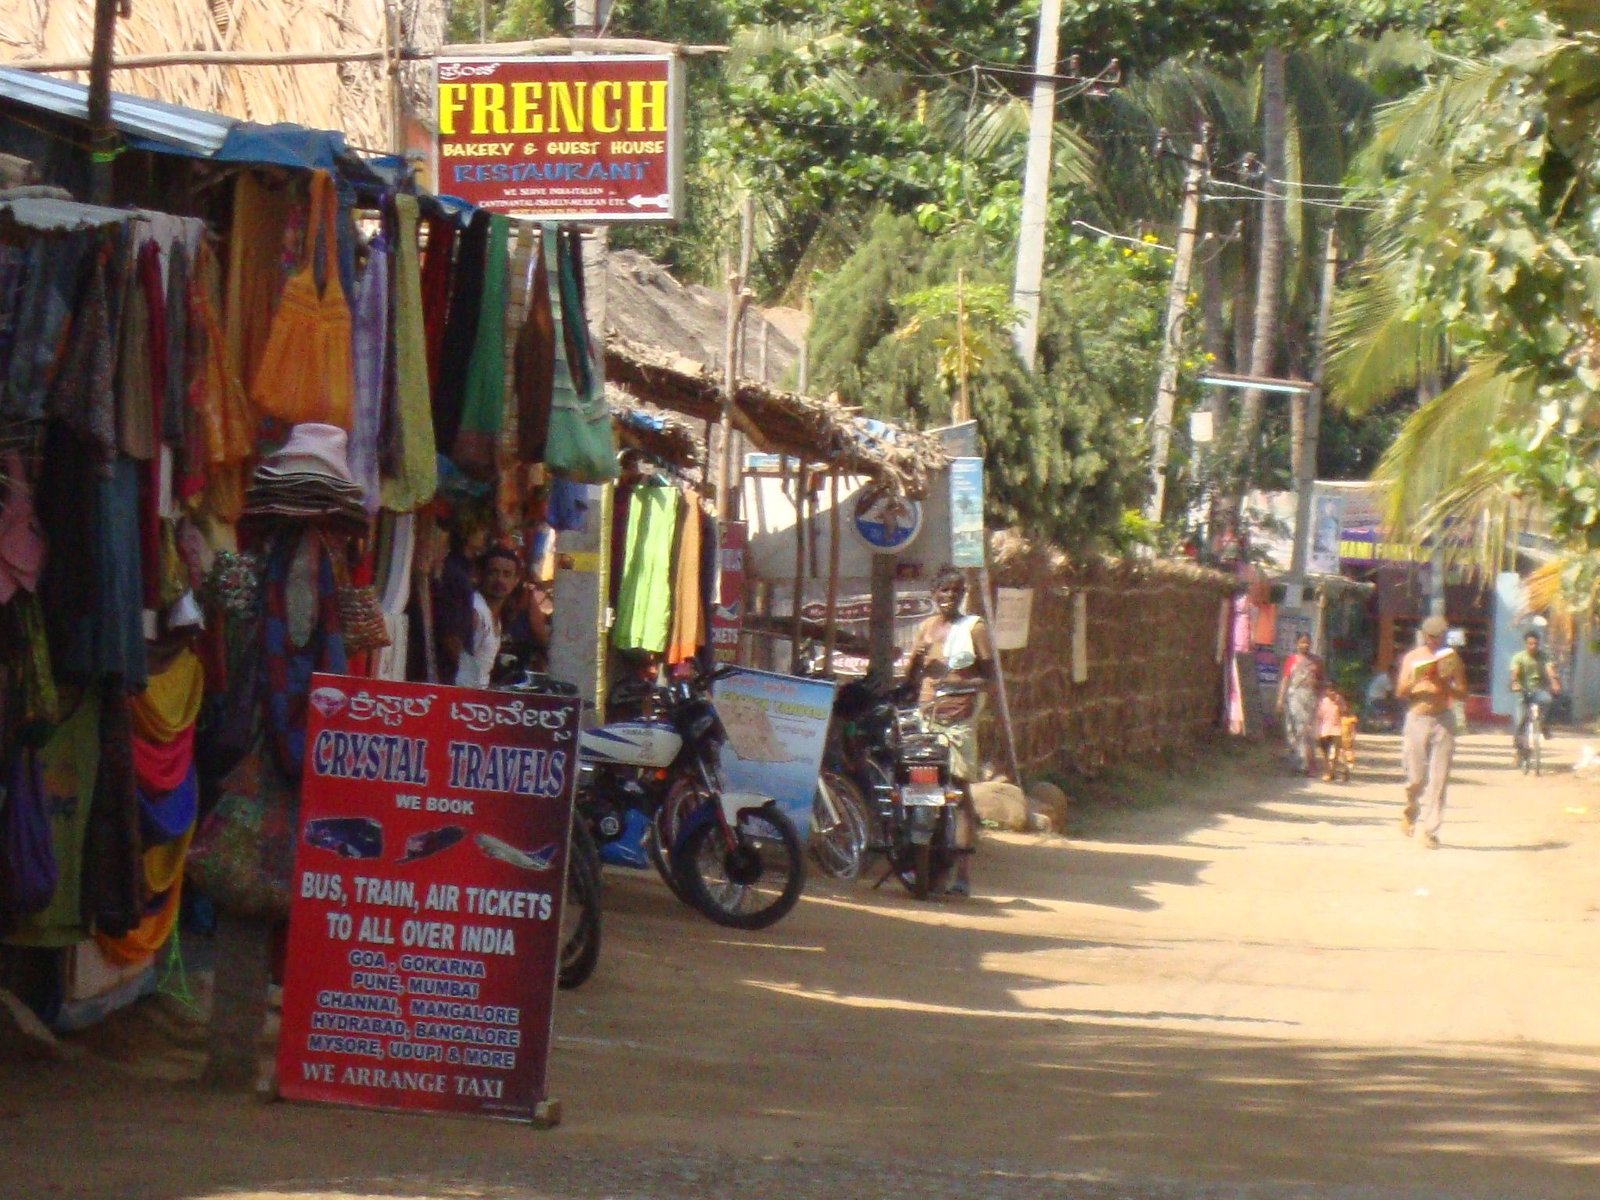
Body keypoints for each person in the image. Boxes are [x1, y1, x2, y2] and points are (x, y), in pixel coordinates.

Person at [904, 566, 994, 897]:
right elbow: (911, 677)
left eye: (956, 591)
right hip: (927, 717)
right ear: (934, 595)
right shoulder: (926, 628)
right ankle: (923, 866)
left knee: (958, 790)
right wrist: (916, 663)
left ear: (963, 595)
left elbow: (989, 676)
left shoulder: (974, 628)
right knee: (921, 789)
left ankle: (963, 874)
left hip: (958, 718)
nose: (950, 597)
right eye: (944, 591)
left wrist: (956, 686)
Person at [1395, 614, 1469, 849]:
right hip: (1418, 717)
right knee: (1416, 777)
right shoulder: (1412, 658)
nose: (1435, 641)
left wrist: (1445, 685)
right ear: (1424, 636)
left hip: (1443, 719)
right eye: (1431, 637)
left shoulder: (1451, 659)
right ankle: (1410, 810)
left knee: (1440, 778)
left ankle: (1430, 829)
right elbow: (1400, 691)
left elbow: (1463, 692)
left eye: (1439, 637)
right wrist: (1419, 679)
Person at [455, 545, 518, 688]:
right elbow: (457, 657)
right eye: (493, 573)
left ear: (516, 581)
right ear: (480, 575)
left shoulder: (494, 617)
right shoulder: (475, 612)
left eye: (507, 574)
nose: (500, 580)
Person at [1275, 632, 1322, 775]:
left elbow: (1323, 681)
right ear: (1296, 644)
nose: (1305, 645)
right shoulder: (1291, 660)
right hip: (1294, 699)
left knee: (1307, 731)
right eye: (1302, 642)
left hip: (1310, 699)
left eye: (1307, 642)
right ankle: (1295, 764)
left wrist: (1321, 697)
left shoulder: (1317, 661)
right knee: (1293, 730)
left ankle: (1307, 765)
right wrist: (1280, 699)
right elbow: (1285, 680)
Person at [1508, 630, 1560, 751]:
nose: (1533, 646)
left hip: (1538, 691)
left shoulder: (1544, 657)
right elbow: (1514, 673)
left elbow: (1550, 670)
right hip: (1522, 691)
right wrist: (1515, 683)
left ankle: (1543, 725)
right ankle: (1519, 747)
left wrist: (1554, 683)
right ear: (1525, 644)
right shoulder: (1519, 657)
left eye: (1536, 644)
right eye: (1530, 643)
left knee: (1547, 700)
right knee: (1520, 720)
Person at [1315, 683, 1349, 781]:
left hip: (1336, 730)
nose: (1332, 692)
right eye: (1330, 690)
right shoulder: (1323, 702)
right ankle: (1328, 772)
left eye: (1334, 690)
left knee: (1335, 752)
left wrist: (1339, 704)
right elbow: (1318, 717)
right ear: (1326, 691)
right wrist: (1317, 731)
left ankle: (1333, 772)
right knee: (1325, 754)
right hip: (1324, 731)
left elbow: (1345, 713)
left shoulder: (1340, 700)